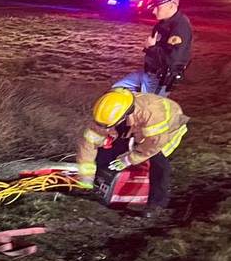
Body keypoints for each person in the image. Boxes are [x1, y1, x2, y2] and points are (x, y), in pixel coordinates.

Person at [76, 87, 189, 215]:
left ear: (125, 115)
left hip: (166, 129)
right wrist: (86, 178)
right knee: (111, 147)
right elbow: (89, 143)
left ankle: (157, 204)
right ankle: (105, 180)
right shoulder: (108, 110)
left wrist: (129, 159)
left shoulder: (153, 114)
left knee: (159, 162)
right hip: (137, 124)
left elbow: (154, 144)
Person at [113, 0, 193, 95]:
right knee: (117, 90)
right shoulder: (163, 24)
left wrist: (151, 47)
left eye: (158, 7)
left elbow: (173, 62)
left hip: (160, 80)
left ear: (172, 5)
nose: (154, 11)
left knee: (149, 108)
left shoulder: (180, 27)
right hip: (149, 74)